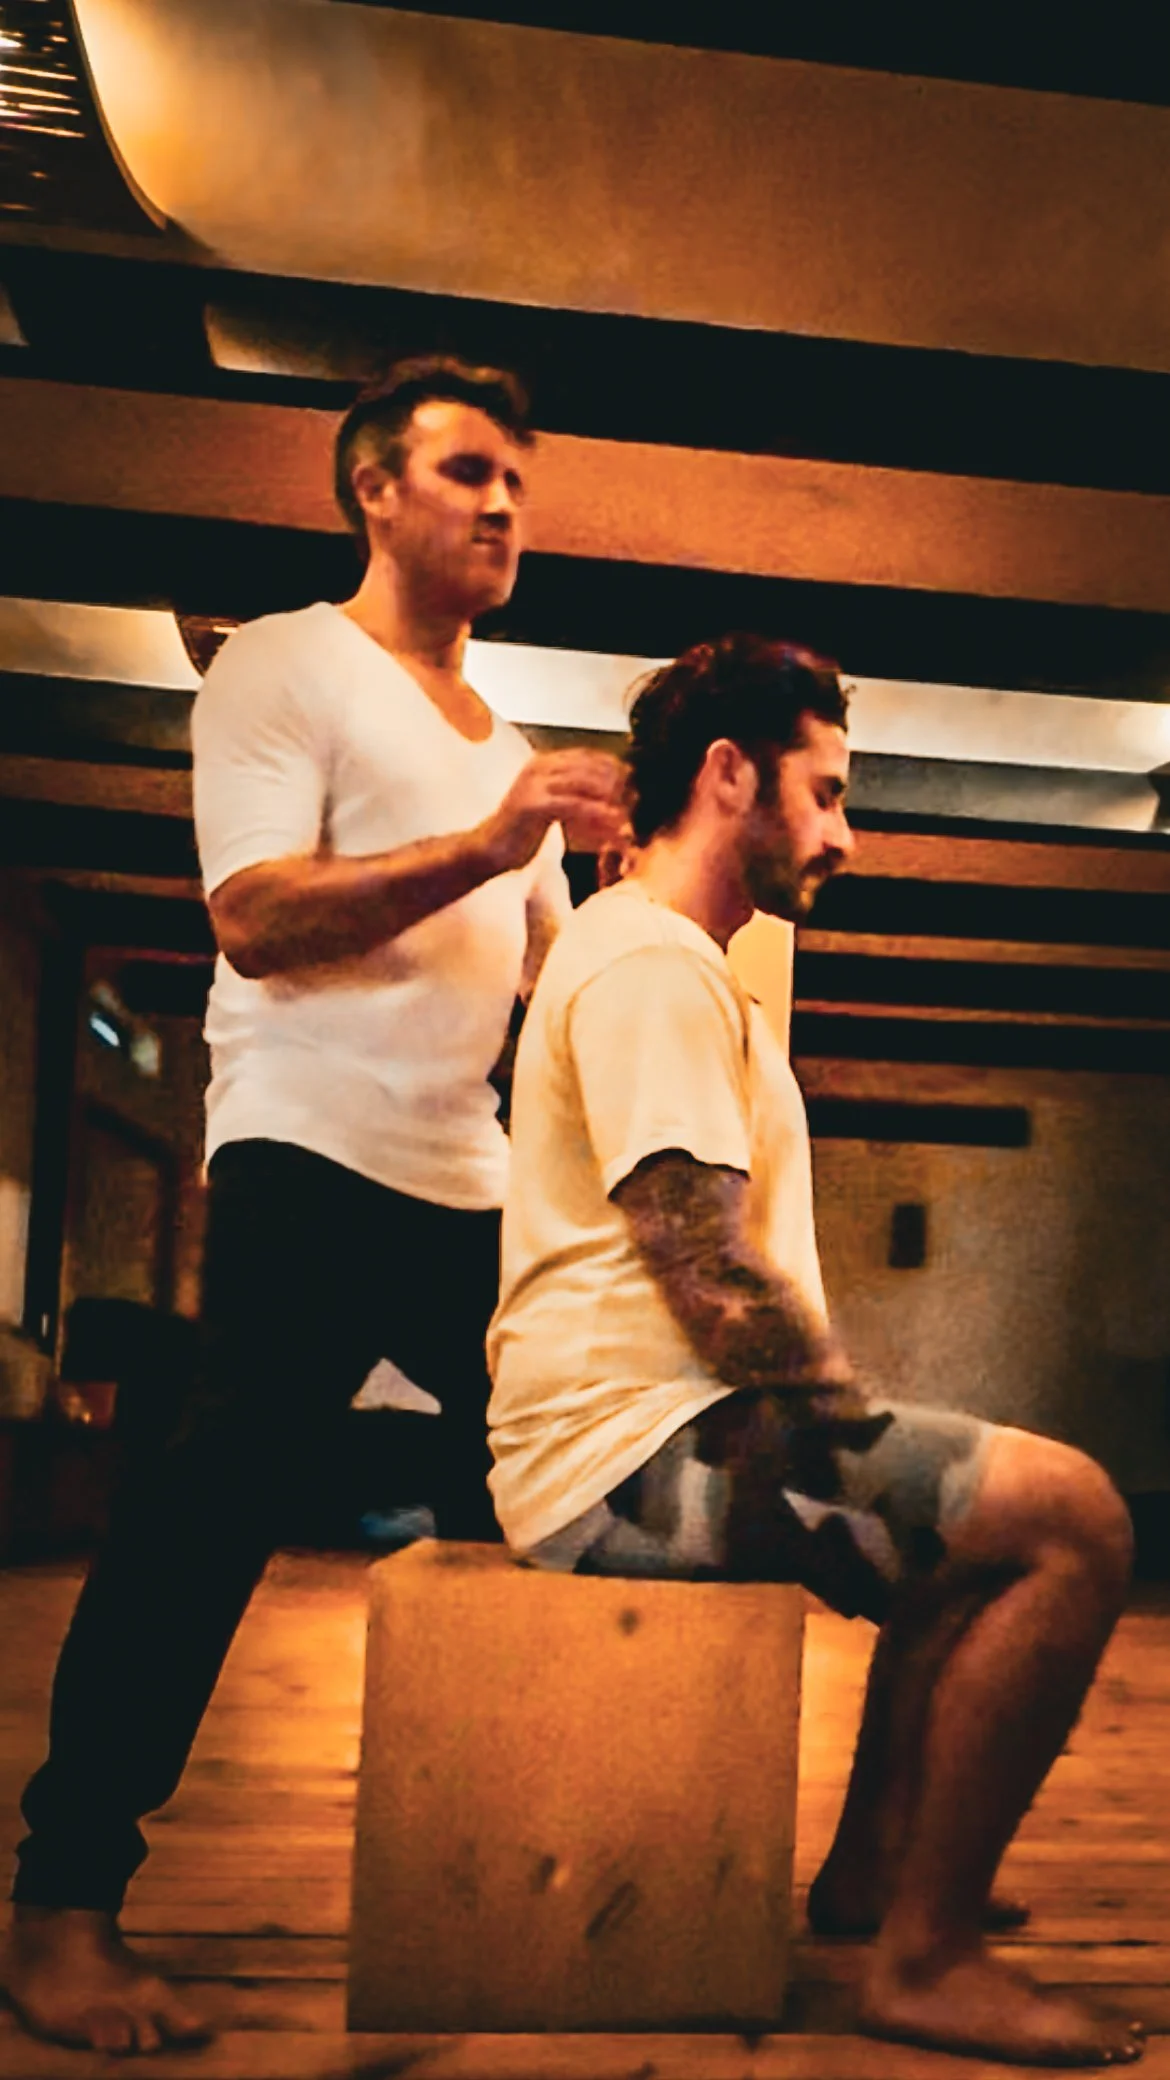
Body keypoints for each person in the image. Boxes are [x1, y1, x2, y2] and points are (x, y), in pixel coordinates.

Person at [3, 355, 624, 2055]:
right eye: (469, 471)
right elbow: (257, 916)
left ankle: (608, 1848)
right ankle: (62, 1905)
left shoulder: (509, 749)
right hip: (303, 1147)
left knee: (589, 1473)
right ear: (375, 488)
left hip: (468, 1175)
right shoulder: (285, 661)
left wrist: (643, 935)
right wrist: (493, 850)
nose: (503, 505)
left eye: (518, 481)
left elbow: (554, 995)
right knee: (213, 1503)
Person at [486, 632, 1143, 2069]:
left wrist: (873, 1440)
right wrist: (854, 1416)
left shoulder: (665, 960)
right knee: (1073, 1516)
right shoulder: (651, 963)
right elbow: (710, 1271)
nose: (844, 834)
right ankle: (925, 1959)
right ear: (729, 778)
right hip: (623, 1470)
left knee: (975, 1527)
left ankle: (866, 1886)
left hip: (647, 1439)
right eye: (827, 793)